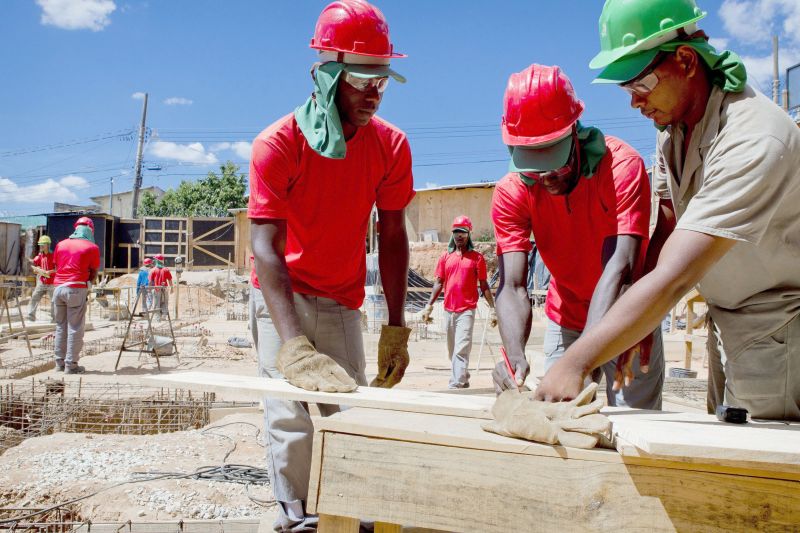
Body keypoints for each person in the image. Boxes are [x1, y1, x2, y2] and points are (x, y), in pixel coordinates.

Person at [536, 0, 800, 421]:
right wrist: (636, 328)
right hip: (726, 318)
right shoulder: (673, 129)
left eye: (639, 84)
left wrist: (575, 361)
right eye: (626, 89)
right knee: (721, 448)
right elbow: (667, 231)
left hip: (777, 327)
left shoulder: (753, 140)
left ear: (685, 60)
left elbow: (674, 275)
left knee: (762, 471)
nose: (634, 103)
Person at [247, 1, 414, 530]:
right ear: (326, 73)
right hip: (283, 296)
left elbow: (392, 236)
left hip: (343, 299)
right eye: (362, 79)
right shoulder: (278, 144)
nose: (375, 92)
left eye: (382, 79)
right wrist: (292, 343)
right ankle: (297, 518)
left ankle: (351, 514)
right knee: (290, 416)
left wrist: (396, 325)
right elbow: (266, 248)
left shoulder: (390, 146)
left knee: (348, 413)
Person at [491, 64, 664, 409]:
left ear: (574, 132)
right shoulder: (511, 193)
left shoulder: (620, 168)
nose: (547, 175)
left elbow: (621, 268)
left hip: (626, 315)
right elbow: (512, 286)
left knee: (632, 430)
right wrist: (514, 356)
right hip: (565, 314)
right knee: (558, 420)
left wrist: (579, 361)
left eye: (554, 159)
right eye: (534, 165)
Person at [421, 216, 495, 389]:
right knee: (452, 350)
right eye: (456, 232)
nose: (459, 235)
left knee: (461, 348)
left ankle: (457, 384)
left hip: (467, 310)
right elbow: (439, 283)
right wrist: (429, 306)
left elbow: (483, 284)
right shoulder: (445, 257)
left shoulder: (477, 258)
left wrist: (493, 308)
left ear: (469, 234)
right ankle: (463, 376)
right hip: (448, 310)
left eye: (463, 232)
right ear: (452, 234)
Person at [52, 217, 100, 374]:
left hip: (58, 289)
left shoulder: (61, 244)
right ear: (90, 230)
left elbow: (56, 265)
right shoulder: (92, 247)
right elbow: (93, 272)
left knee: (60, 327)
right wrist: (88, 283)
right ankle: (71, 365)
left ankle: (59, 363)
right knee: (75, 328)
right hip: (75, 289)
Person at [26, 235, 56, 322]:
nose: (41, 246)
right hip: (42, 282)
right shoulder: (40, 256)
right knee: (34, 298)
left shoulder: (53, 256)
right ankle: (30, 317)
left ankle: (55, 319)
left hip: (52, 283)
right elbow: (36, 263)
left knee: (54, 301)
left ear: (48, 245)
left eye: (43, 244)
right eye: (40, 244)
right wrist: (37, 270)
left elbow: (57, 269)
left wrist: (49, 272)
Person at [148, 254, 172, 321]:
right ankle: (164, 315)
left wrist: (149, 289)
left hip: (156, 289)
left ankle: (157, 318)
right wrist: (172, 288)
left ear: (157, 260)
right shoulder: (166, 269)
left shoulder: (153, 270)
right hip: (165, 289)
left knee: (156, 303)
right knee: (165, 302)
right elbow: (170, 280)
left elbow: (150, 281)